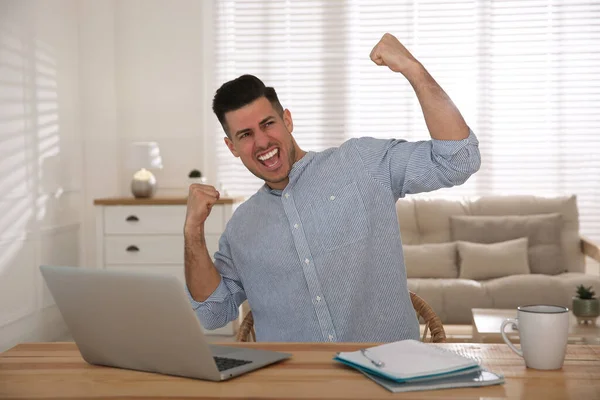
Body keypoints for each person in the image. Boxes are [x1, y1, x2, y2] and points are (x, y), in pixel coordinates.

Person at [184, 33, 481, 342]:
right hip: (294, 384)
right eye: (245, 135)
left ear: (287, 120)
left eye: (268, 124)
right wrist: (192, 232)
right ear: (232, 146)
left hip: (390, 376)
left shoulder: (361, 164)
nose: (261, 142)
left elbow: (459, 160)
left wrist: (412, 68)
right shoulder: (241, 227)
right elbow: (212, 314)